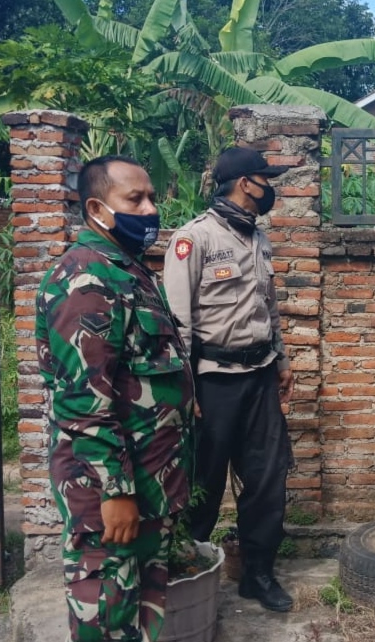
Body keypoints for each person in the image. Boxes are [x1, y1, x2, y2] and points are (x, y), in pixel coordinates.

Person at [35, 155, 195, 642]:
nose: (149, 210)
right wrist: (115, 492)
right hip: (111, 488)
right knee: (107, 613)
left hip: (149, 476)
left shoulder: (127, 270)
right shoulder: (86, 279)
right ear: (97, 209)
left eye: (151, 198)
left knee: (139, 612)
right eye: (134, 199)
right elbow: (83, 399)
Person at [163, 146, 295, 612]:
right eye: (266, 178)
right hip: (212, 383)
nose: (270, 187)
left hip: (259, 377)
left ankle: (258, 575)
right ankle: (186, 577)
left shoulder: (258, 239)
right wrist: (187, 389)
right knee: (203, 483)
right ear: (245, 183)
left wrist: (281, 361)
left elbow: (268, 306)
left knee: (266, 479)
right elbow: (177, 323)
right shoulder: (193, 239)